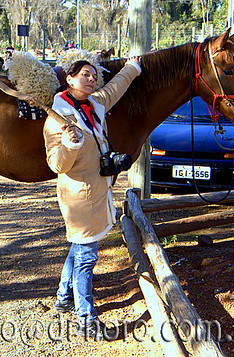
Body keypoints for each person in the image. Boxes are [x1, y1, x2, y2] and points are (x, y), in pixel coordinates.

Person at [43, 57, 141, 340]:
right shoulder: (57, 118)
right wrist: (69, 145)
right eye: (85, 74)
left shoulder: (95, 103)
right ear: (69, 79)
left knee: (78, 248)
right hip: (79, 197)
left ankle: (64, 296)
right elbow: (56, 165)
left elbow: (116, 88)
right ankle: (86, 318)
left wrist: (132, 68)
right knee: (87, 256)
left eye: (94, 76)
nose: (91, 79)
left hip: (98, 191)